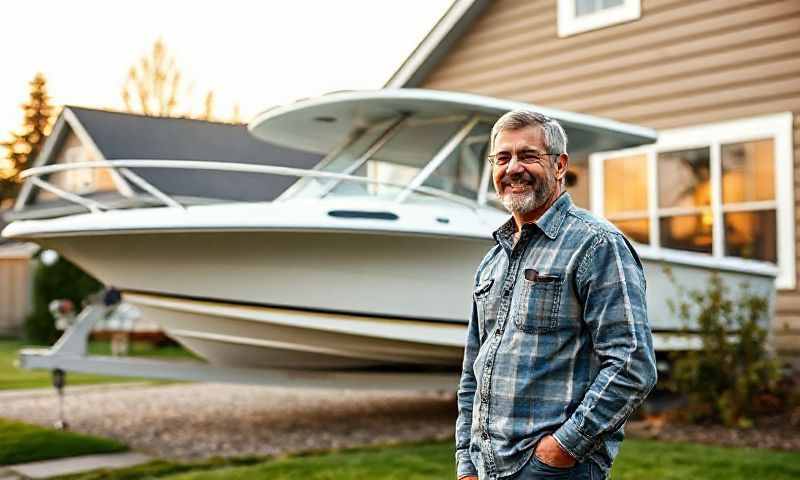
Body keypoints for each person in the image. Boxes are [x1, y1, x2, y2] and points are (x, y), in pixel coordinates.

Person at [456, 110, 657, 480]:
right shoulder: (493, 260)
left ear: (560, 165)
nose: (513, 168)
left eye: (528, 155)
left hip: (555, 471)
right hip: (488, 469)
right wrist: (466, 464)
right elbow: (473, 370)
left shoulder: (597, 245)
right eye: (502, 158)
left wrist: (561, 450)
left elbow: (632, 364)